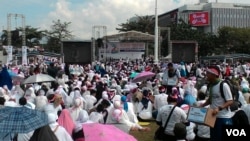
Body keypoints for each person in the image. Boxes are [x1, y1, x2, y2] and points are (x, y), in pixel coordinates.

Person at [201, 65, 233, 141]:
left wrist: (219, 108)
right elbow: (211, 99)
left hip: (223, 118)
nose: (206, 75)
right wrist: (202, 105)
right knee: (214, 138)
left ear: (213, 74)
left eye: (208, 73)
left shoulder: (223, 85)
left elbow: (230, 101)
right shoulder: (210, 85)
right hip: (212, 117)